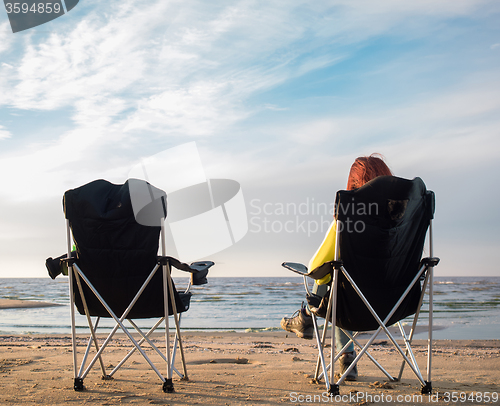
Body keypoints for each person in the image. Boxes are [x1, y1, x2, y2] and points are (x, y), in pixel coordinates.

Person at [280, 153, 393, 381]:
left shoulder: (348, 217)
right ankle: (345, 358)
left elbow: (315, 266)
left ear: (354, 186)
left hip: (352, 304)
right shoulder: (403, 221)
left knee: (334, 277)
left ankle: (308, 318)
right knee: (343, 278)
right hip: (393, 304)